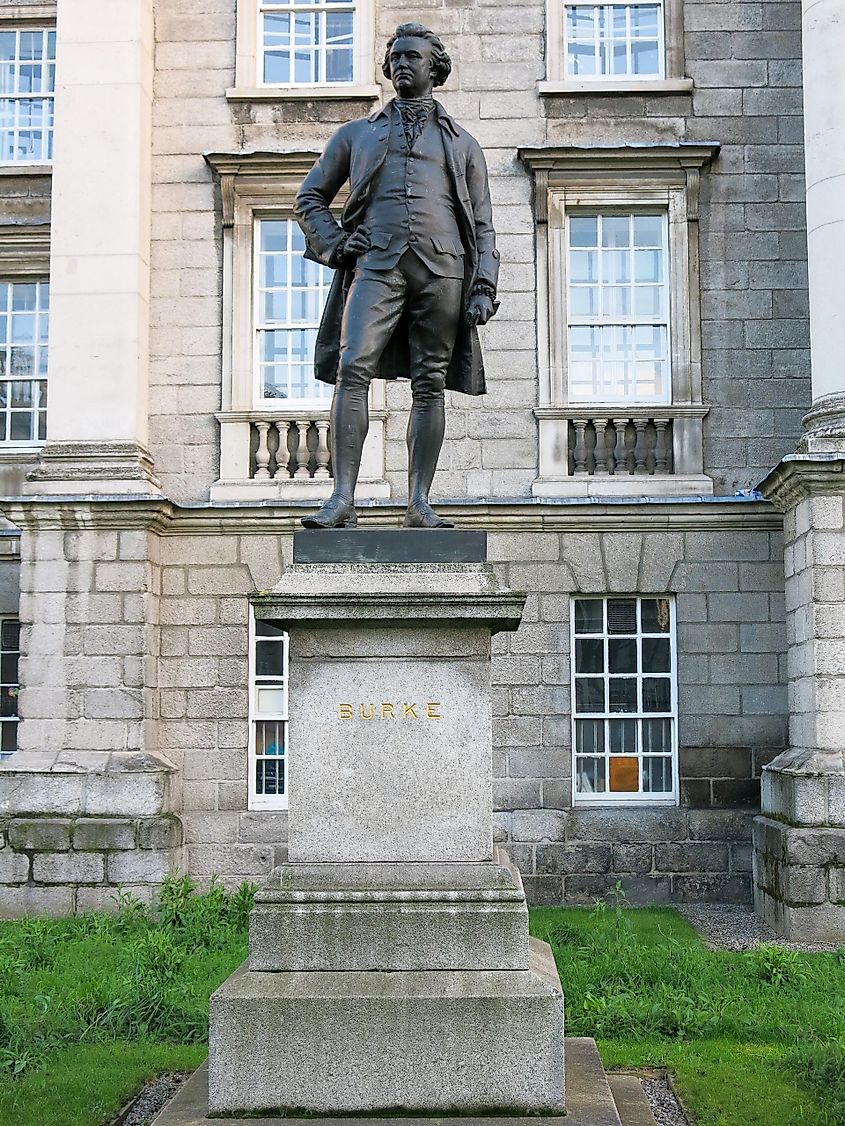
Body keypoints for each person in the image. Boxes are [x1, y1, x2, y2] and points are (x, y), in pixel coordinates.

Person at [294, 23, 500, 529]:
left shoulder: (464, 143)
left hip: (443, 270)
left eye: (413, 56)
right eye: (396, 58)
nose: (402, 64)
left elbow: (483, 222)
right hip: (377, 265)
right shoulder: (356, 135)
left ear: (436, 68)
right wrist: (340, 244)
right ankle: (342, 498)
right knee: (352, 368)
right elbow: (310, 199)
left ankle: (419, 503)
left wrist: (484, 285)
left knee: (429, 383)